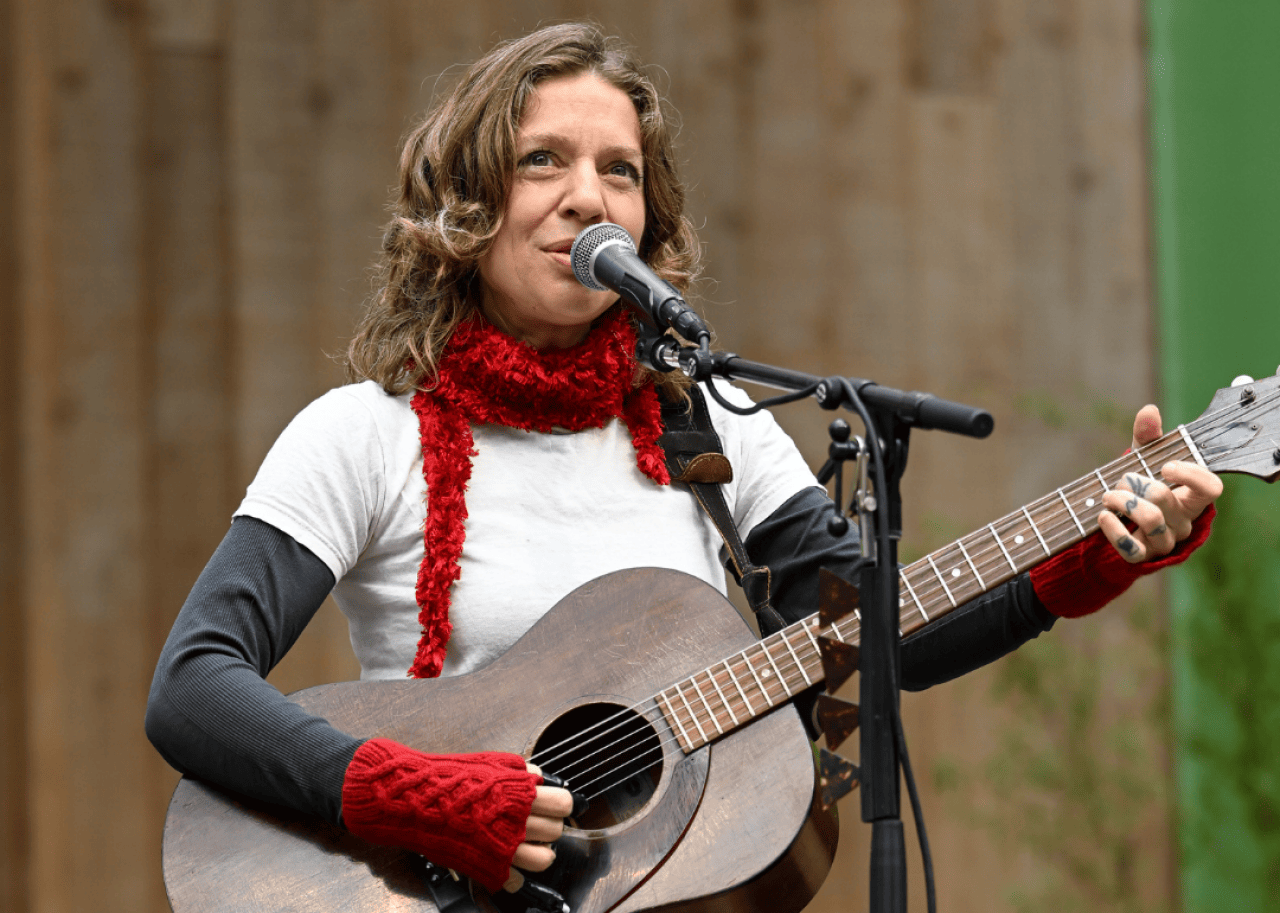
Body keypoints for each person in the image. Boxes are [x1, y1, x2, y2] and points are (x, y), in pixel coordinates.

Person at [145, 21, 1222, 904]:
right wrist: (413, 794)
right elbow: (193, 687)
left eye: (619, 171)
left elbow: (877, 635)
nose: (588, 197)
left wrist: (1093, 556)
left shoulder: (710, 426)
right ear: (467, 210)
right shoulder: (364, 434)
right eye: (541, 162)